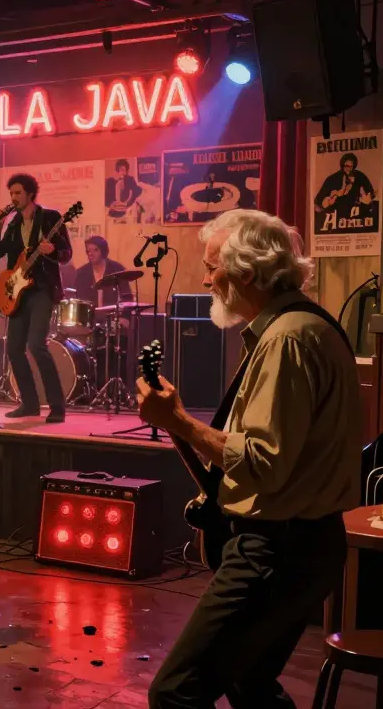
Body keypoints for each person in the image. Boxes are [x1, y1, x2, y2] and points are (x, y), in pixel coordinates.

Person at [136, 209, 359, 709]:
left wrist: (179, 421)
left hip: (277, 550)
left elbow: (261, 463)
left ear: (248, 272)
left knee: (175, 693)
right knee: (250, 686)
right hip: (307, 544)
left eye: (211, 266)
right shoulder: (304, 325)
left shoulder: (286, 339)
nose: (205, 280)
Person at [0, 173, 73, 422]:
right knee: (14, 349)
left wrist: (53, 250)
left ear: (30, 194)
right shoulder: (13, 224)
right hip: (18, 293)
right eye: (11, 193)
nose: (13, 198)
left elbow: (66, 253)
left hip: (42, 290)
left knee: (36, 345)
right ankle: (30, 403)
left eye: (17, 193)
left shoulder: (50, 218)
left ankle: (57, 406)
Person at [72, 236, 135, 308]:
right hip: (89, 313)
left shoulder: (117, 269)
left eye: (95, 250)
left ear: (103, 251)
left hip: (112, 313)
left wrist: (124, 314)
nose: (90, 253)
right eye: (88, 251)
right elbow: (78, 299)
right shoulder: (81, 273)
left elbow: (127, 298)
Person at [313, 151, 376, 222]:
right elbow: (319, 201)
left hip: (356, 215)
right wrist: (330, 200)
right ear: (342, 165)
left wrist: (365, 199)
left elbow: (371, 193)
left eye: (351, 166)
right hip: (336, 216)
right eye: (346, 166)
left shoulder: (359, 176)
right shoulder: (333, 178)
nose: (349, 168)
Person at [105, 158, 142, 223]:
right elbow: (105, 198)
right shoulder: (110, 181)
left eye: (125, 170)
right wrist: (110, 204)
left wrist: (128, 204)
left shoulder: (130, 180)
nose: (123, 172)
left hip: (126, 211)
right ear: (117, 170)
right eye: (121, 169)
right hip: (113, 212)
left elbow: (138, 191)